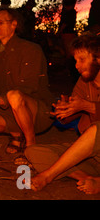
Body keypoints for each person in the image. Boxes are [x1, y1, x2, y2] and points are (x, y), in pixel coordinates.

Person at [0, 6, 54, 154]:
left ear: (14, 24)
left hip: (38, 111)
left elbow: (29, 87)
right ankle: (16, 135)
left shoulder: (31, 50)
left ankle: (31, 146)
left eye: (0, 23)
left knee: (14, 96)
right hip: (9, 113)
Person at [25, 34, 100, 193]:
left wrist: (86, 105)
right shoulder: (83, 82)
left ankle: (49, 175)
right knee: (33, 152)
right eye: (75, 61)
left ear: (98, 59)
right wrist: (65, 111)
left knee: (97, 130)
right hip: (92, 157)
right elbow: (73, 114)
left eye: (82, 60)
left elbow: (91, 118)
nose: (76, 65)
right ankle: (85, 177)